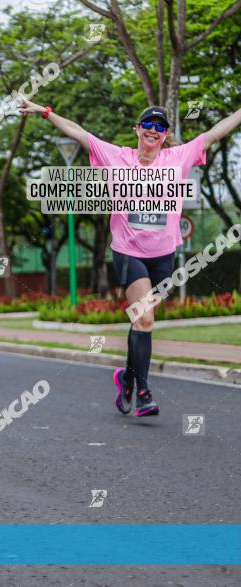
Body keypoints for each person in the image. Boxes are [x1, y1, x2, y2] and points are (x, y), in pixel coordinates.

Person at [19, 98, 241, 417]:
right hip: (127, 252)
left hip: (163, 256)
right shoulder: (116, 157)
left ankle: (126, 378)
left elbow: (215, 133)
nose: (153, 130)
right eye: (147, 125)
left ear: (165, 135)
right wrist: (45, 111)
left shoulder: (178, 158)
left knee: (141, 321)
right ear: (137, 129)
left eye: (160, 127)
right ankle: (144, 392)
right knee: (146, 318)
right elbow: (79, 133)